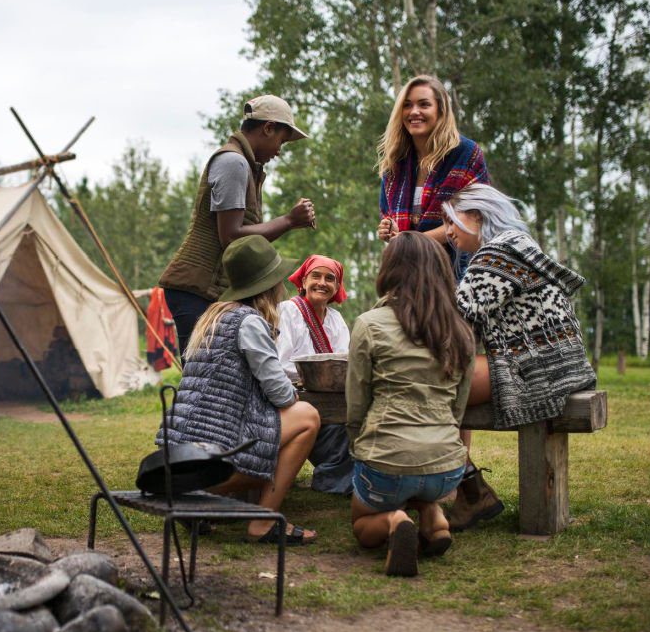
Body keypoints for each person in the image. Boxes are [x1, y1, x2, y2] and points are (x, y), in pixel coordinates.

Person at [441, 184, 597, 530]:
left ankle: (467, 489)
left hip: (534, 369)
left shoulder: (496, 254)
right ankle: (466, 488)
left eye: (452, 220)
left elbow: (455, 316)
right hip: (557, 362)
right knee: (443, 382)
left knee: (431, 388)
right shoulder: (516, 244)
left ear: (477, 217)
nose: (448, 231)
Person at [159, 235, 321, 544]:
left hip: (182, 452)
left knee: (272, 423)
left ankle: (200, 500)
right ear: (269, 285)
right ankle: (260, 521)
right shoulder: (249, 322)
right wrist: (292, 393)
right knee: (307, 416)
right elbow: (280, 393)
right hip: (214, 455)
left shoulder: (213, 316)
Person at [346, 232, 475, 577]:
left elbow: (357, 405)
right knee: (418, 474)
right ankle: (434, 518)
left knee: (361, 523)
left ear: (390, 270)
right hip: (447, 470)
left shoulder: (369, 325)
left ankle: (395, 520)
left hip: (386, 464)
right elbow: (458, 411)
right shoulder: (461, 331)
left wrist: (358, 450)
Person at [159, 94, 316, 358]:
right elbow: (231, 237)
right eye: (281, 141)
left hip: (205, 290)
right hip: (196, 288)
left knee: (209, 380)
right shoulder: (234, 162)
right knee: (203, 379)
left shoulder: (244, 164)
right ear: (268, 128)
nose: (279, 150)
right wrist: (289, 221)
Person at [376, 75, 490, 274]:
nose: (414, 112)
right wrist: (390, 229)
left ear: (441, 110)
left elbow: (474, 219)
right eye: (407, 105)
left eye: (424, 104)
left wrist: (412, 242)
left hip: (458, 272)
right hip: (408, 274)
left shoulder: (465, 154)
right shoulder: (395, 163)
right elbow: (391, 217)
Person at [275, 254, 354, 494]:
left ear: (337, 287)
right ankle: (337, 478)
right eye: (316, 276)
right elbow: (280, 361)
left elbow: (344, 358)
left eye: (330, 278)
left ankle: (347, 475)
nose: (322, 283)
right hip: (294, 393)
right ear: (303, 282)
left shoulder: (336, 319)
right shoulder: (288, 311)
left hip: (330, 393)